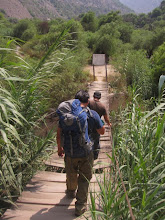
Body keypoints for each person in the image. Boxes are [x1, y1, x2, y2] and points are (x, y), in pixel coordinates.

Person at [56, 90, 105, 217]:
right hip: (86, 152)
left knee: (71, 173)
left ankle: (71, 191)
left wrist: (59, 148)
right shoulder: (92, 114)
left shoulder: (66, 116)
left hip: (70, 151)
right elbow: (102, 132)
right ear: (88, 101)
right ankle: (80, 207)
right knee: (84, 179)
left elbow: (59, 133)